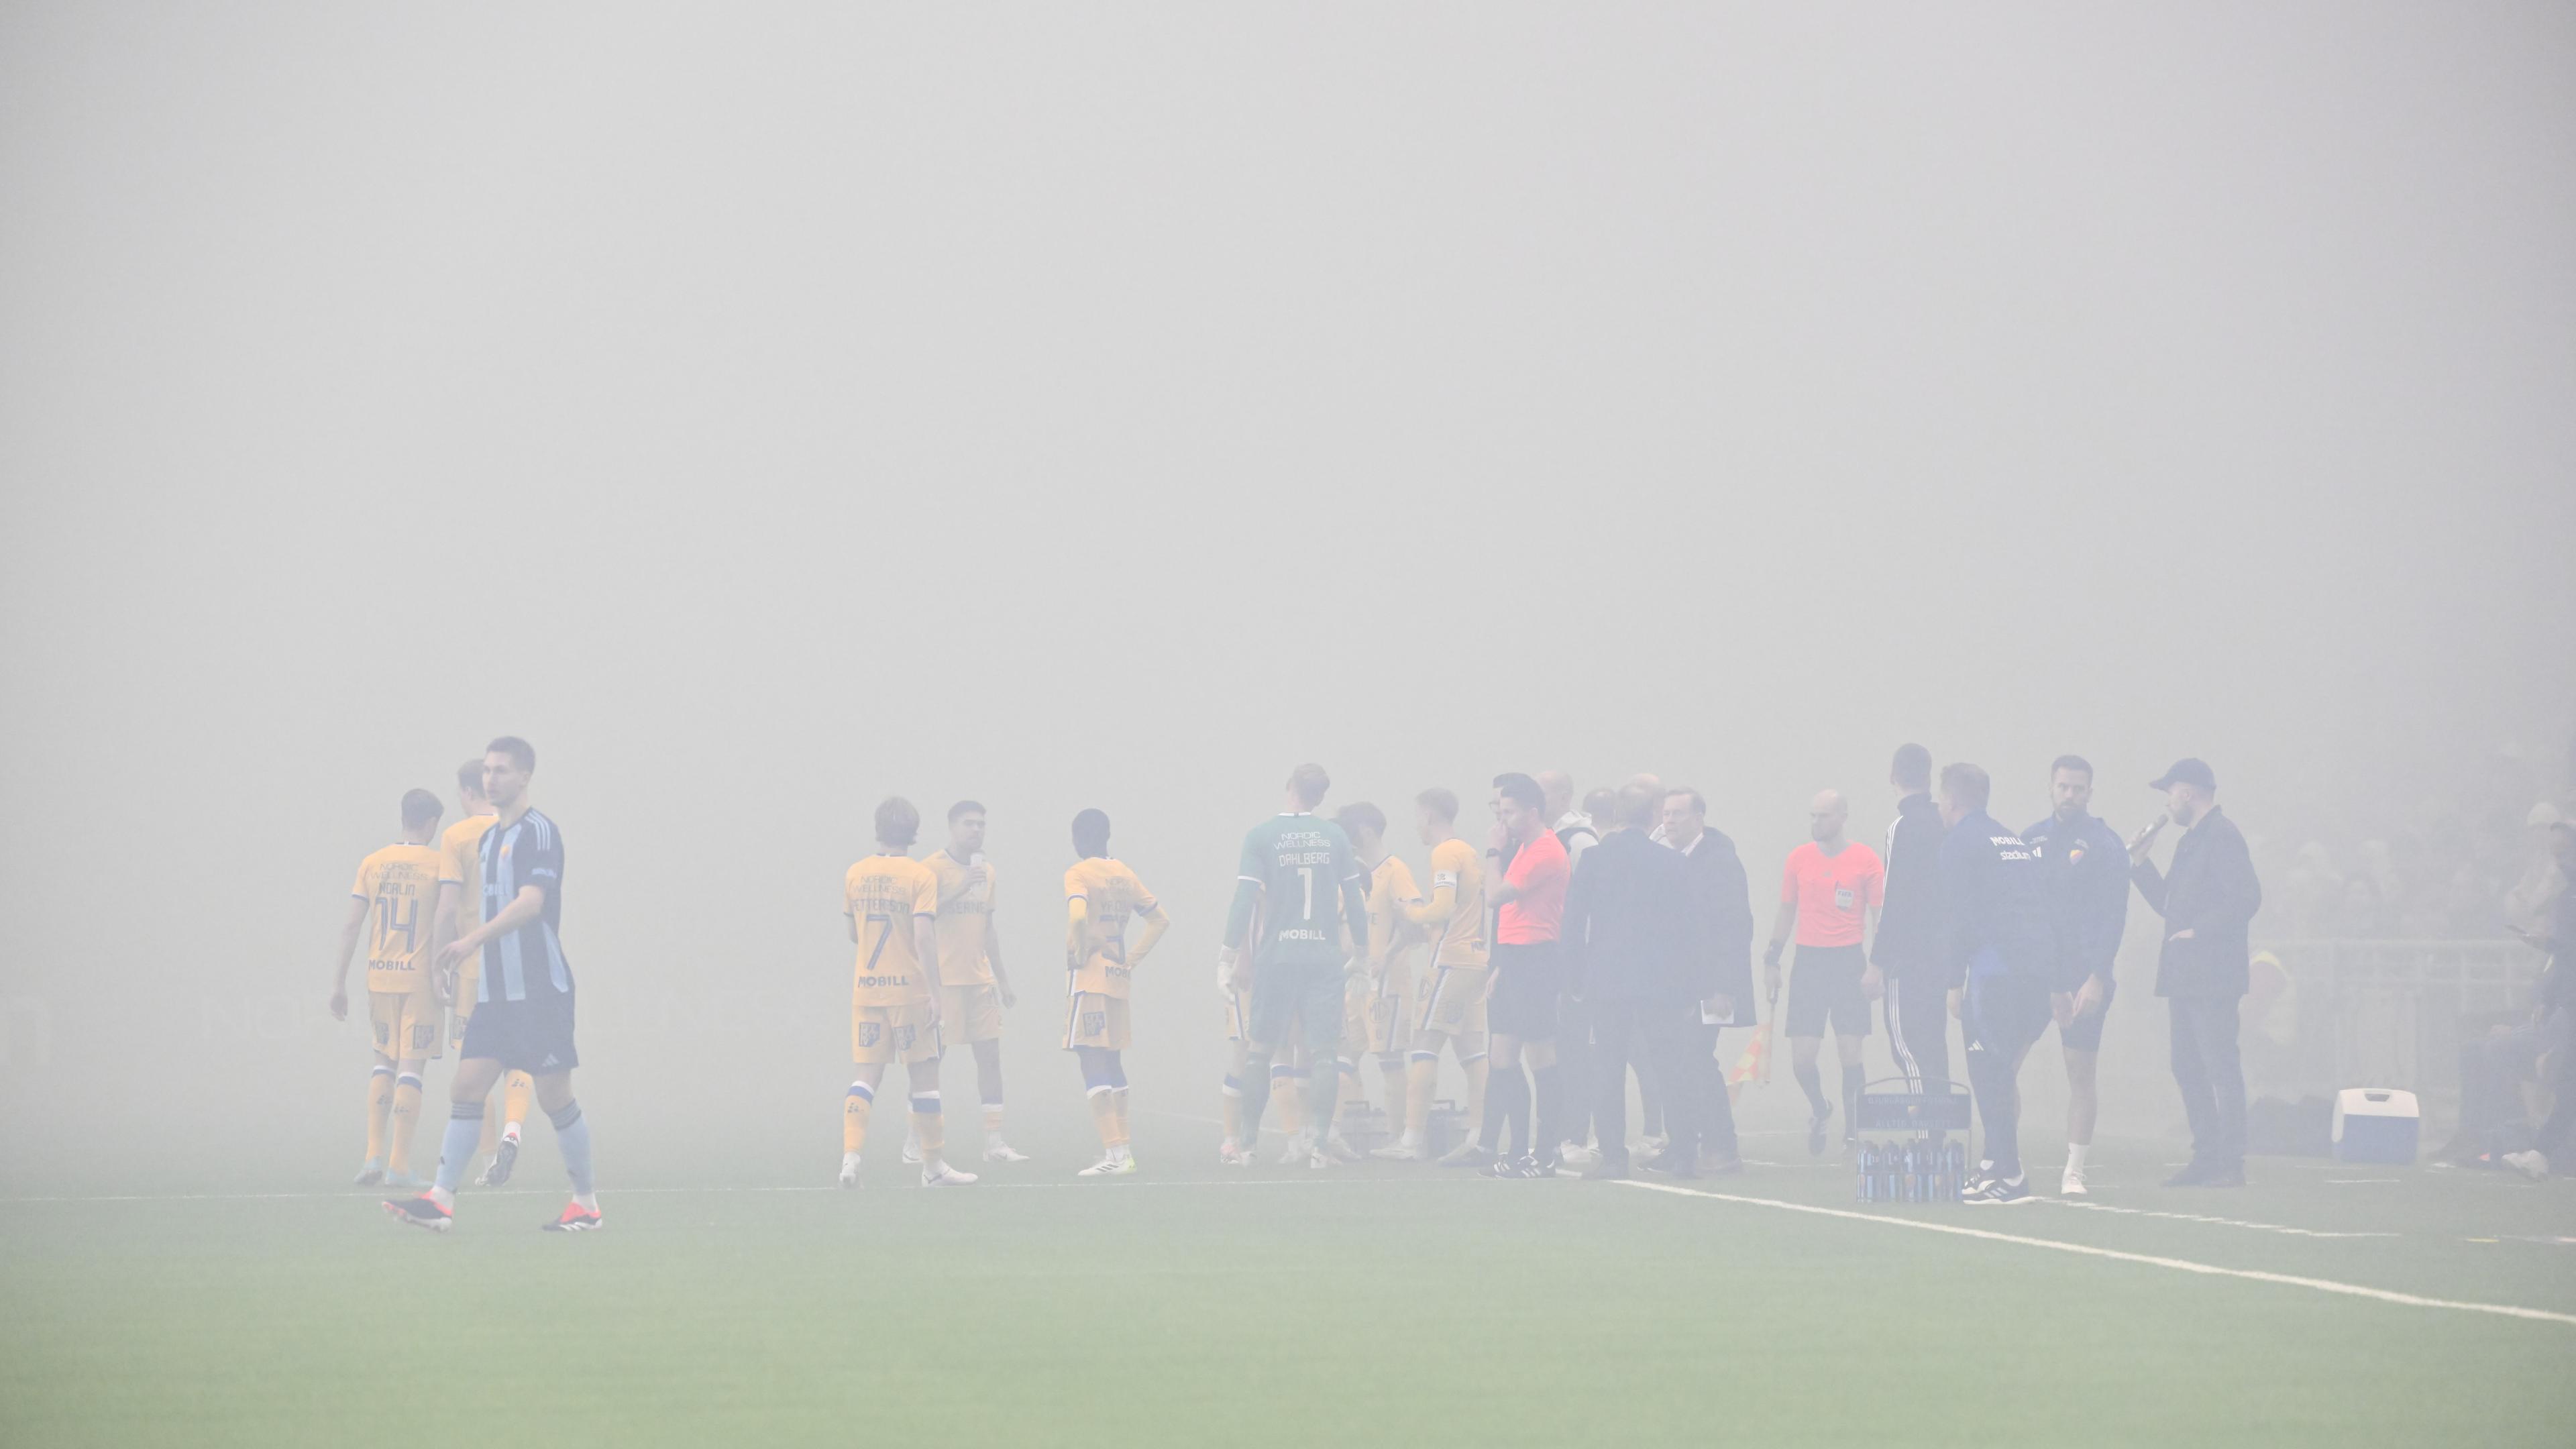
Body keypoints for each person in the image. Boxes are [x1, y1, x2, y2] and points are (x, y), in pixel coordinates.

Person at [386, 738, 603, 1231]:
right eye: (486, 770)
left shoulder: (540, 833)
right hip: (495, 992)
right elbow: (457, 906)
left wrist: (471, 942)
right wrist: (442, 962)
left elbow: (531, 903)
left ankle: (586, 1206)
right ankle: (441, 1201)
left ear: (525, 776)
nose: (491, 779)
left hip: (540, 991)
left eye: (501, 770)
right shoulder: (487, 841)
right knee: (466, 1087)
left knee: (555, 1098)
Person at [1222, 764, 1370, 1169]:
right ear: (1321, 798)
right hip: (1322, 958)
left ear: (1289, 787)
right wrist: (1363, 952)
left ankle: (1247, 1146)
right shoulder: (1335, 836)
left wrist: (1228, 953)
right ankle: (1319, 1146)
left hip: (1277, 957)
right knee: (1324, 1055)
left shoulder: (1261, 835)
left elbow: (1245, 898)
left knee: (1259, 1054)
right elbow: (1354, 899)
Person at [2128, 758, 2263, 1188]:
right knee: (2187, 1065)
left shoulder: (2222, 836)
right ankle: (2206, 1157)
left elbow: (2246, 897)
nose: (2167, 803)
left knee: (2220, 1065)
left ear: (2187, 792)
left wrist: (2200, 931)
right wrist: (2139, 864)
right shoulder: (2191, 841)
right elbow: (2169, 904)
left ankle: (2230, 1162)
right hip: (2185, 974)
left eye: (2169, 792)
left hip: (2212, 974)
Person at [1562, 784, 1709, 1179]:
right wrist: (1691, 985)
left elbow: (1574, 923)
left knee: (1607, 1068)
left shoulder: (1594, 859)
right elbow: (1689, 929)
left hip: (1607, 980)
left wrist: (1574, 978)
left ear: (1615, 814)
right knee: (1669, 1067)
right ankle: (1683, 1153)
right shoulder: (1672, 862)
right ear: (1652, 816)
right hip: (1660, 981)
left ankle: (1613, 1156)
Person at [835, 797, 979, 1189]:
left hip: (866, 990)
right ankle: (933, 1169)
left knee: (866, 1077)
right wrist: (936, 992)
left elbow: (854, 934)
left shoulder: (855, 873)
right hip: (910, 993)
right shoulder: (920, 877)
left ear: (878, 829)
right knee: (925, 1080)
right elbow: (923, 936)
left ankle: (850, 1157)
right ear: (913, 832)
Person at [1937, 764, 2058, 1205]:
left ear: (1950, 800)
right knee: (2001, 1073)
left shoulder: (1959, 843)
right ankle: (1993, 1164)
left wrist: (1954, 981)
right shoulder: (2011, 840)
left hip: (1995, 974)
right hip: (2035, 972)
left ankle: (2010, 1176)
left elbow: (1958, 917)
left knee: (1988, 1074)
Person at [2022, 755, 2129, 1197]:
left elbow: (2113, 916)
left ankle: (2074, 1170)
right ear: (2050, 787)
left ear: (2090, 793)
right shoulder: (2030, 840)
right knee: (2004, 1064)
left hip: (2082, 973)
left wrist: (2097, 977)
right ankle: (2004, 1161)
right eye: (2063, 787)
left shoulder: (2104, 844)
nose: (2070, 795)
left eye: (2078, 789)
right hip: (2033, 975)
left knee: (2079, 1070)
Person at [330, 788, 445, 1189]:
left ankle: (371, 1157)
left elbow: (351, 925)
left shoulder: (372, 863)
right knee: (412, 1068)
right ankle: (398, 1165)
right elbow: (448, 920)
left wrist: (339, 982)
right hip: (419, 981)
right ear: (431, 824)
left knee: (383, 1063)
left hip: (379, 976)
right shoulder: (438, 864)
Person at [1763, 790, 1884, 1155]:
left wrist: (1876, 967)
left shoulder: (1866, 860)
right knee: (1802, 1058)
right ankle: (1820, 1108)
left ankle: (1853, 1132)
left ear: (1843, 817)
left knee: (1851, 1052)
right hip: (1809, 962)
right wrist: (1772, 957)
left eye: (1824, 817)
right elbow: (1787, 909)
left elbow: (1880, 918)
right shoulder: (1798, 859)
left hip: (1849, 962)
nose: (1817, 823)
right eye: (1813, 816)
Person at [423, 759, 525, 1188]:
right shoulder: (519, 830)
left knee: (475, 1063)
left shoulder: (457, 836)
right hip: (520, 964)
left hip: (474, 967)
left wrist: (437, 964)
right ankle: (513, 1132)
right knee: (521, 1057)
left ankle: (488, 1160)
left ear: (467, 792)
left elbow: (447, 908)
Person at [1379, 787, 1492, 1163]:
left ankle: (1410, 1140)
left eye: (1417, 818)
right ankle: (1479, 1135)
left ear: (1428, 815)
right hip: (1475, 961)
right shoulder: (1470, 851)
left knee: (1425, 1043)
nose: (1416, 827)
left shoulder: (1444, 852)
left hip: (1450, 960)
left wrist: (1410, 912)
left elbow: (1441, 908)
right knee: (1473, 1051)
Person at [911, 801, 1026, 1166]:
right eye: (969, 824)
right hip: (942, 980)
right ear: (951, 826)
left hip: (979, 980)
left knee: (990, 1058)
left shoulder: (987, 872)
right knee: (931, 1061)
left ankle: (994, 1142)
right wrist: (961, 887)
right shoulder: (930, 869)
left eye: (981, 825)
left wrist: (1003, 979)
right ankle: (915, 1139)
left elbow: (988, 927)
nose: (976, 831)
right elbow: (923, 918)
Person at [1063, 808, 1171, 1177]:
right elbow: (1160, 920)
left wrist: (1080, 948)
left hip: (1090, 978)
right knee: (1112, 1061)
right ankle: (1123, 1151)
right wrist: (1131, 961)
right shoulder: (1125, 875)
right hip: (1118, 979)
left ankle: (1114, 1153)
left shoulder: (1078, 873)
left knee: (1090, 1056)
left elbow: (1078, 916)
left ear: (1078, 839)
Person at [1477, 772, 1573, 1177]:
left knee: (1540, 1057)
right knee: (1502, 1058)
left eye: (1510, 812)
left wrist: (1492, 852)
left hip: (1536, 959)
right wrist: (1499, 963)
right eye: (1500, 811)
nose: (1504, 819)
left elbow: (1495, 897)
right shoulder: (1523, 847)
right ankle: (1517, 1151)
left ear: (1532, 812)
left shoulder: (1544, 850)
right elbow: (1504, 917)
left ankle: (1547, 1151)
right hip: (1514, 959)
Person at [1662, 786, 1755, 1174]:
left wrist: (1722, 988)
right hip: (1680, 985)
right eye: (1666, 814)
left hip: (1709, 987)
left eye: (1678, 814)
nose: (1669, 821)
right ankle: (1684, 1146)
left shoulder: (1719, 861)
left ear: (1699, 818)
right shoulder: (1676, 859)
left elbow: (1734, 927)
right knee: (1682, 1063)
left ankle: (1722, 1147)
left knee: (1698, 1062)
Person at [1338, 803, 1421, 1154]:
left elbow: (1415, 925)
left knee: (1389, 1058)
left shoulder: (1395, 870)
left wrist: (1384, 958)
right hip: (1355, 982)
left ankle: (1397, 1136)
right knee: (1344, 1053)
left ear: (1366, 831)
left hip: (1387, 982)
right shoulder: (1353, 874)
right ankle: (1334, 1132)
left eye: (1347, 829)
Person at [1873, 744, 1951, 1103]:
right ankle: (1941, 1139)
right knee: (1934, 1044)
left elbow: (1894, 901)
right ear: (1929, 776)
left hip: (1907, 960)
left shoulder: (1901, 828)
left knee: (1906, 1045)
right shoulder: (1945, 822)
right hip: (1944, 956)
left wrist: (1878, 962)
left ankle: (1927, 1140)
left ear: (1893, 777)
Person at [2500, 820, 2576, 1181]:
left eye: (2564, 850)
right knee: (2569, 1080)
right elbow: (2566, 952)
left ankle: (2544, 1152)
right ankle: (2542, 1152)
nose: (2558, 859)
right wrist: (2548, 996)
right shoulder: (2567, 896)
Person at [1538, 771, 1603, 1166]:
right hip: (1551, 960)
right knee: (1558, 1049)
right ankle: (1564, 1132)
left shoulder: (1579, 842)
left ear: (1562, 795)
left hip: (1577, 966)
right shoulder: (1546, 840)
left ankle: (1579, 1134)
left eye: (1541, 793)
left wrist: (1578, 967)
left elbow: (1587, 910)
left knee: (1579, 1050)